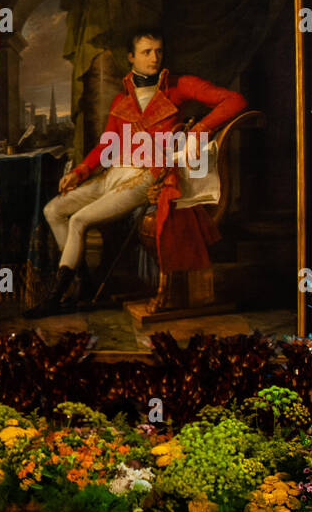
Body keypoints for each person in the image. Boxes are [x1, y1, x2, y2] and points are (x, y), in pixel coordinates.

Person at [24, 28, 246, 317]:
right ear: (131, 57)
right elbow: (106, 146)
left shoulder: (179, 86)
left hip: (146, 176)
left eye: (158, 51)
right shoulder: (121, 102)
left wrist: (199, 130)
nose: (154, 58)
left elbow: (234, 100)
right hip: (113, 174)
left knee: (78, 220)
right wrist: (80, 172)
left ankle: (56, 298)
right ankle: (83, 284)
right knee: (53, 210)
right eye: (146, 52)